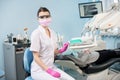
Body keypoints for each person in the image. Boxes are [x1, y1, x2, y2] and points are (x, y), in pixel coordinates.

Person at [30, 7, 75, 80]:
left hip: (51, 67)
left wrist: (61, 50)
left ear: (50, 17)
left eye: (47, 16)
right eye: (42, 17)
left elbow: (53, 51)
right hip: (39, 70)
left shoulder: (53, 33)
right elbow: (36, 57)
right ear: (38, 19)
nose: (45, 19)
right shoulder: (36, 33)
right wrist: (48, 70)